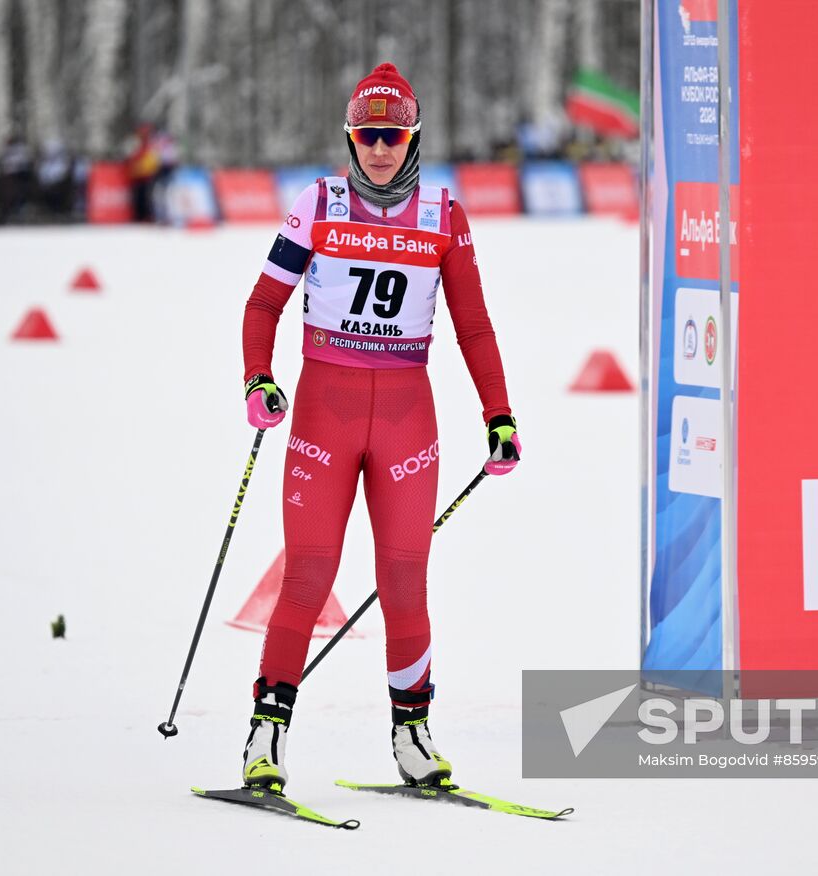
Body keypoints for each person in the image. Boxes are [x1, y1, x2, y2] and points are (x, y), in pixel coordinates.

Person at [239, 62, 521, 792]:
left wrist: (499, 417)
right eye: (367, 135)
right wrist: (259, 379)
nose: (380, 149)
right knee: (307, 577)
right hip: (324, 418)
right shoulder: (319, 203)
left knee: (404, 580)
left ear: (413, 137)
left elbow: (476, 327)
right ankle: (264, 740)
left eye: (393, 135)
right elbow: (263, 303)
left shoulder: (443, 215)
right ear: (351, 137)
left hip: (405, 421)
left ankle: (413, 738)